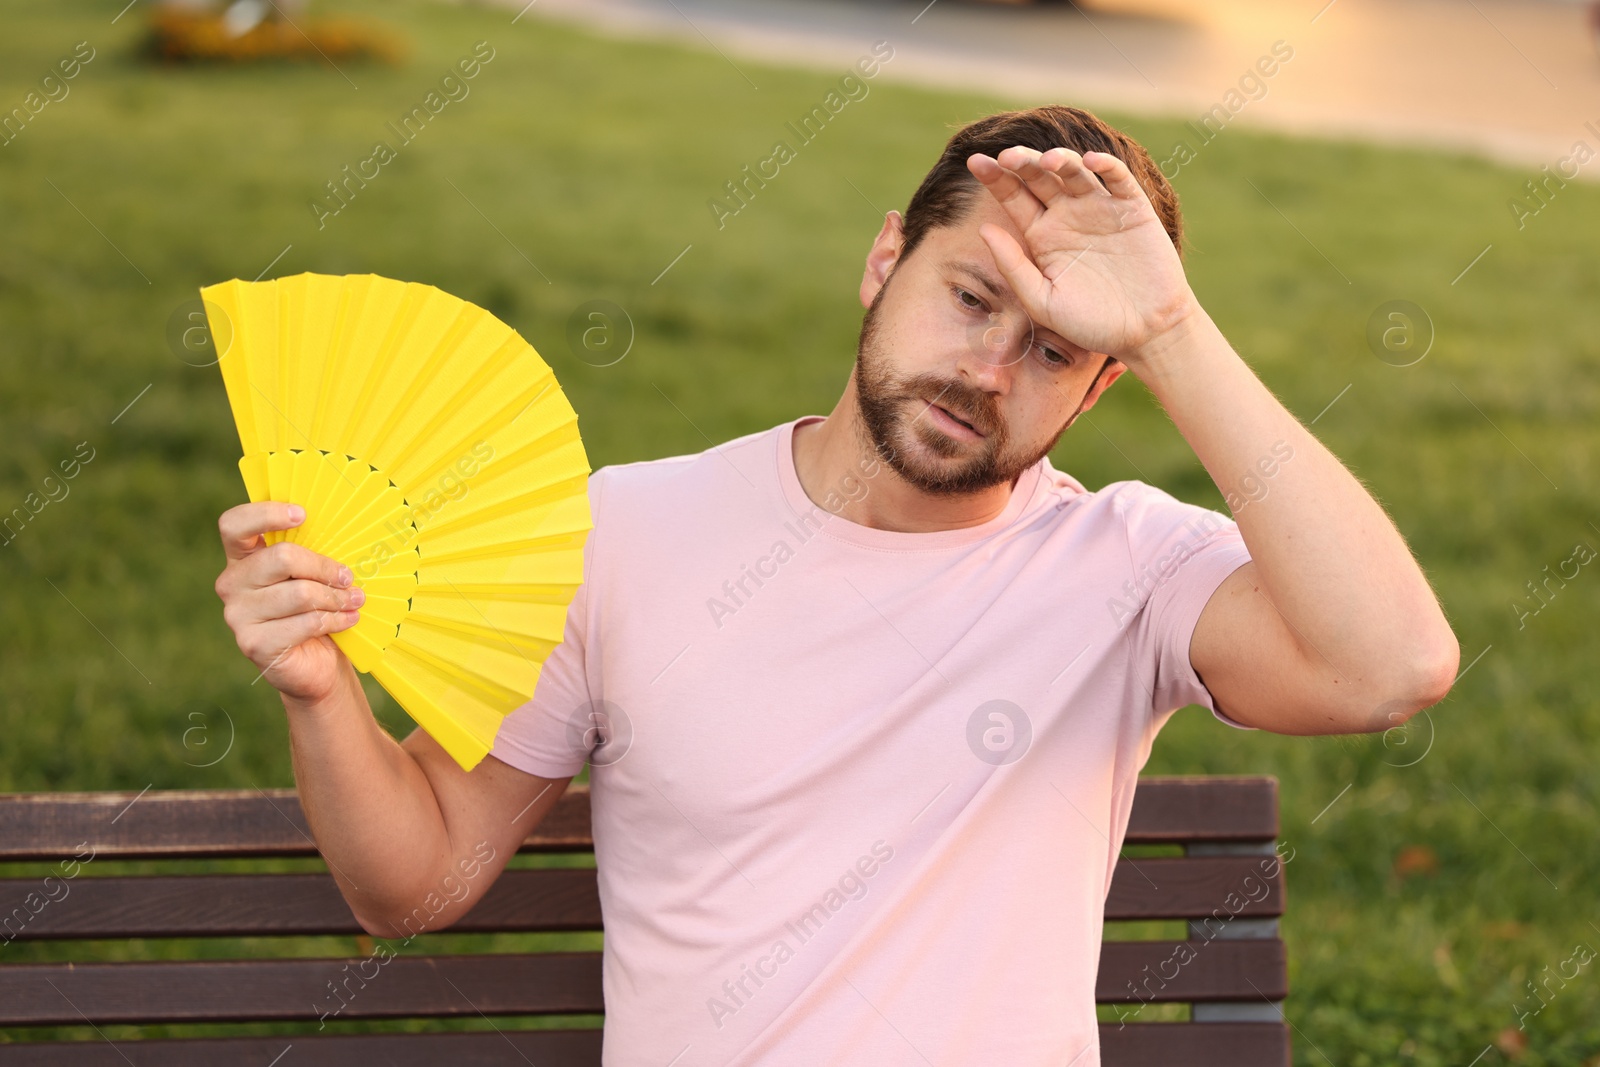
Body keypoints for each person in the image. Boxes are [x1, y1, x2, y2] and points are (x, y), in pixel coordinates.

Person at [213, 105, 1459, 1065]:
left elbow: (1391, 665)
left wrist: (1173, 330)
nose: (984, 368)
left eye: (1054, 348)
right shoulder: (624, 530)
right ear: (883, 260)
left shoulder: (1129, 566)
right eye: (970, 297)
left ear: (1101, 385)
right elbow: (415, 881)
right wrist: (321, 692)